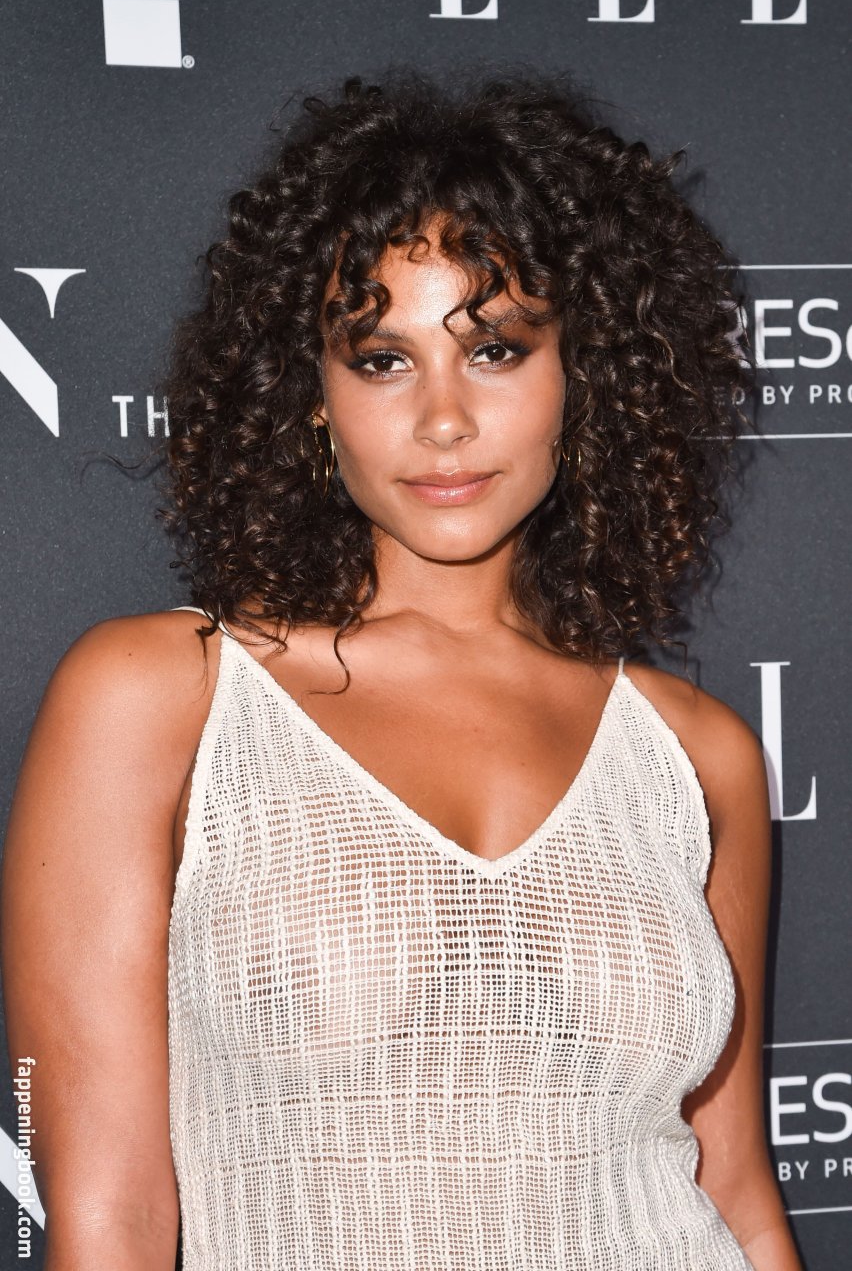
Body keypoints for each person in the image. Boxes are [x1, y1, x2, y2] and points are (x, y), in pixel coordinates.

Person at [0, 70, 801, 1270]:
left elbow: (732, 1186)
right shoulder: (165, 697)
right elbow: (109, 1220)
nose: (442, 418)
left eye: (496, 349)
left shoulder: (696, 752)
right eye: (381, 358)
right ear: (313, 397)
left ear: (581, 376)